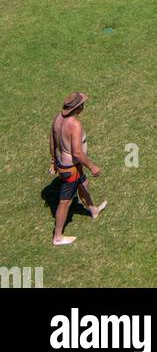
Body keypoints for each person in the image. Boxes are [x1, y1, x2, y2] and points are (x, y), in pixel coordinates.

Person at [49, 92, 107, 245]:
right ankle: (58, 237)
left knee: (83, 184)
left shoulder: (58, 119)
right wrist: (92, 166)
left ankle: (93, 209)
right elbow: (77, 152)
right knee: (65, 202)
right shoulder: (74, 124)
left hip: (63, 164)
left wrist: (54, 161)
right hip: (71, 168)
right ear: (78, 108)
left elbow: (52, 142)